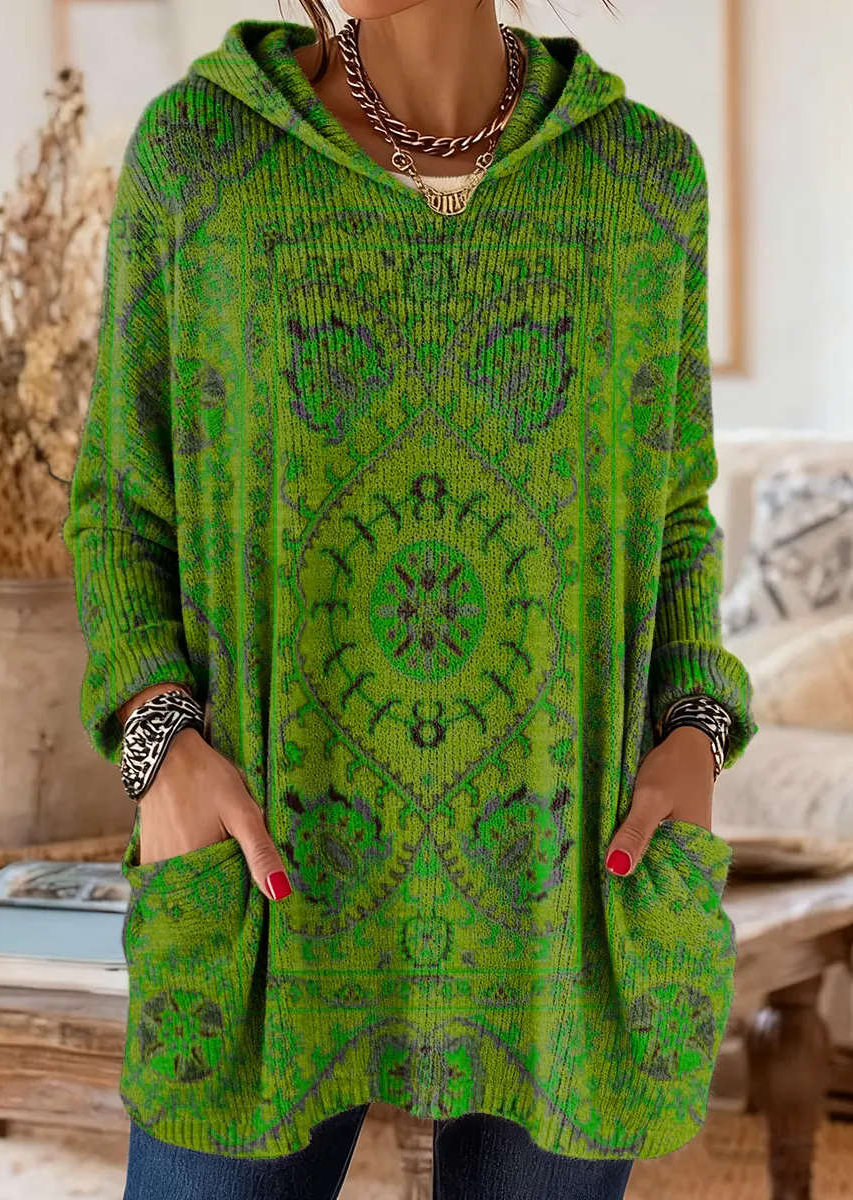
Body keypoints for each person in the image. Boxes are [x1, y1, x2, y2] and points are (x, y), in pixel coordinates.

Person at [62, 0, 757, 1196]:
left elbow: (674, 513)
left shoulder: (645, 185)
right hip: (265, 875)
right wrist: (159, 747)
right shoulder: (204, 157)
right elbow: (124, 504)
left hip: (565, 890)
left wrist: (693, 731)